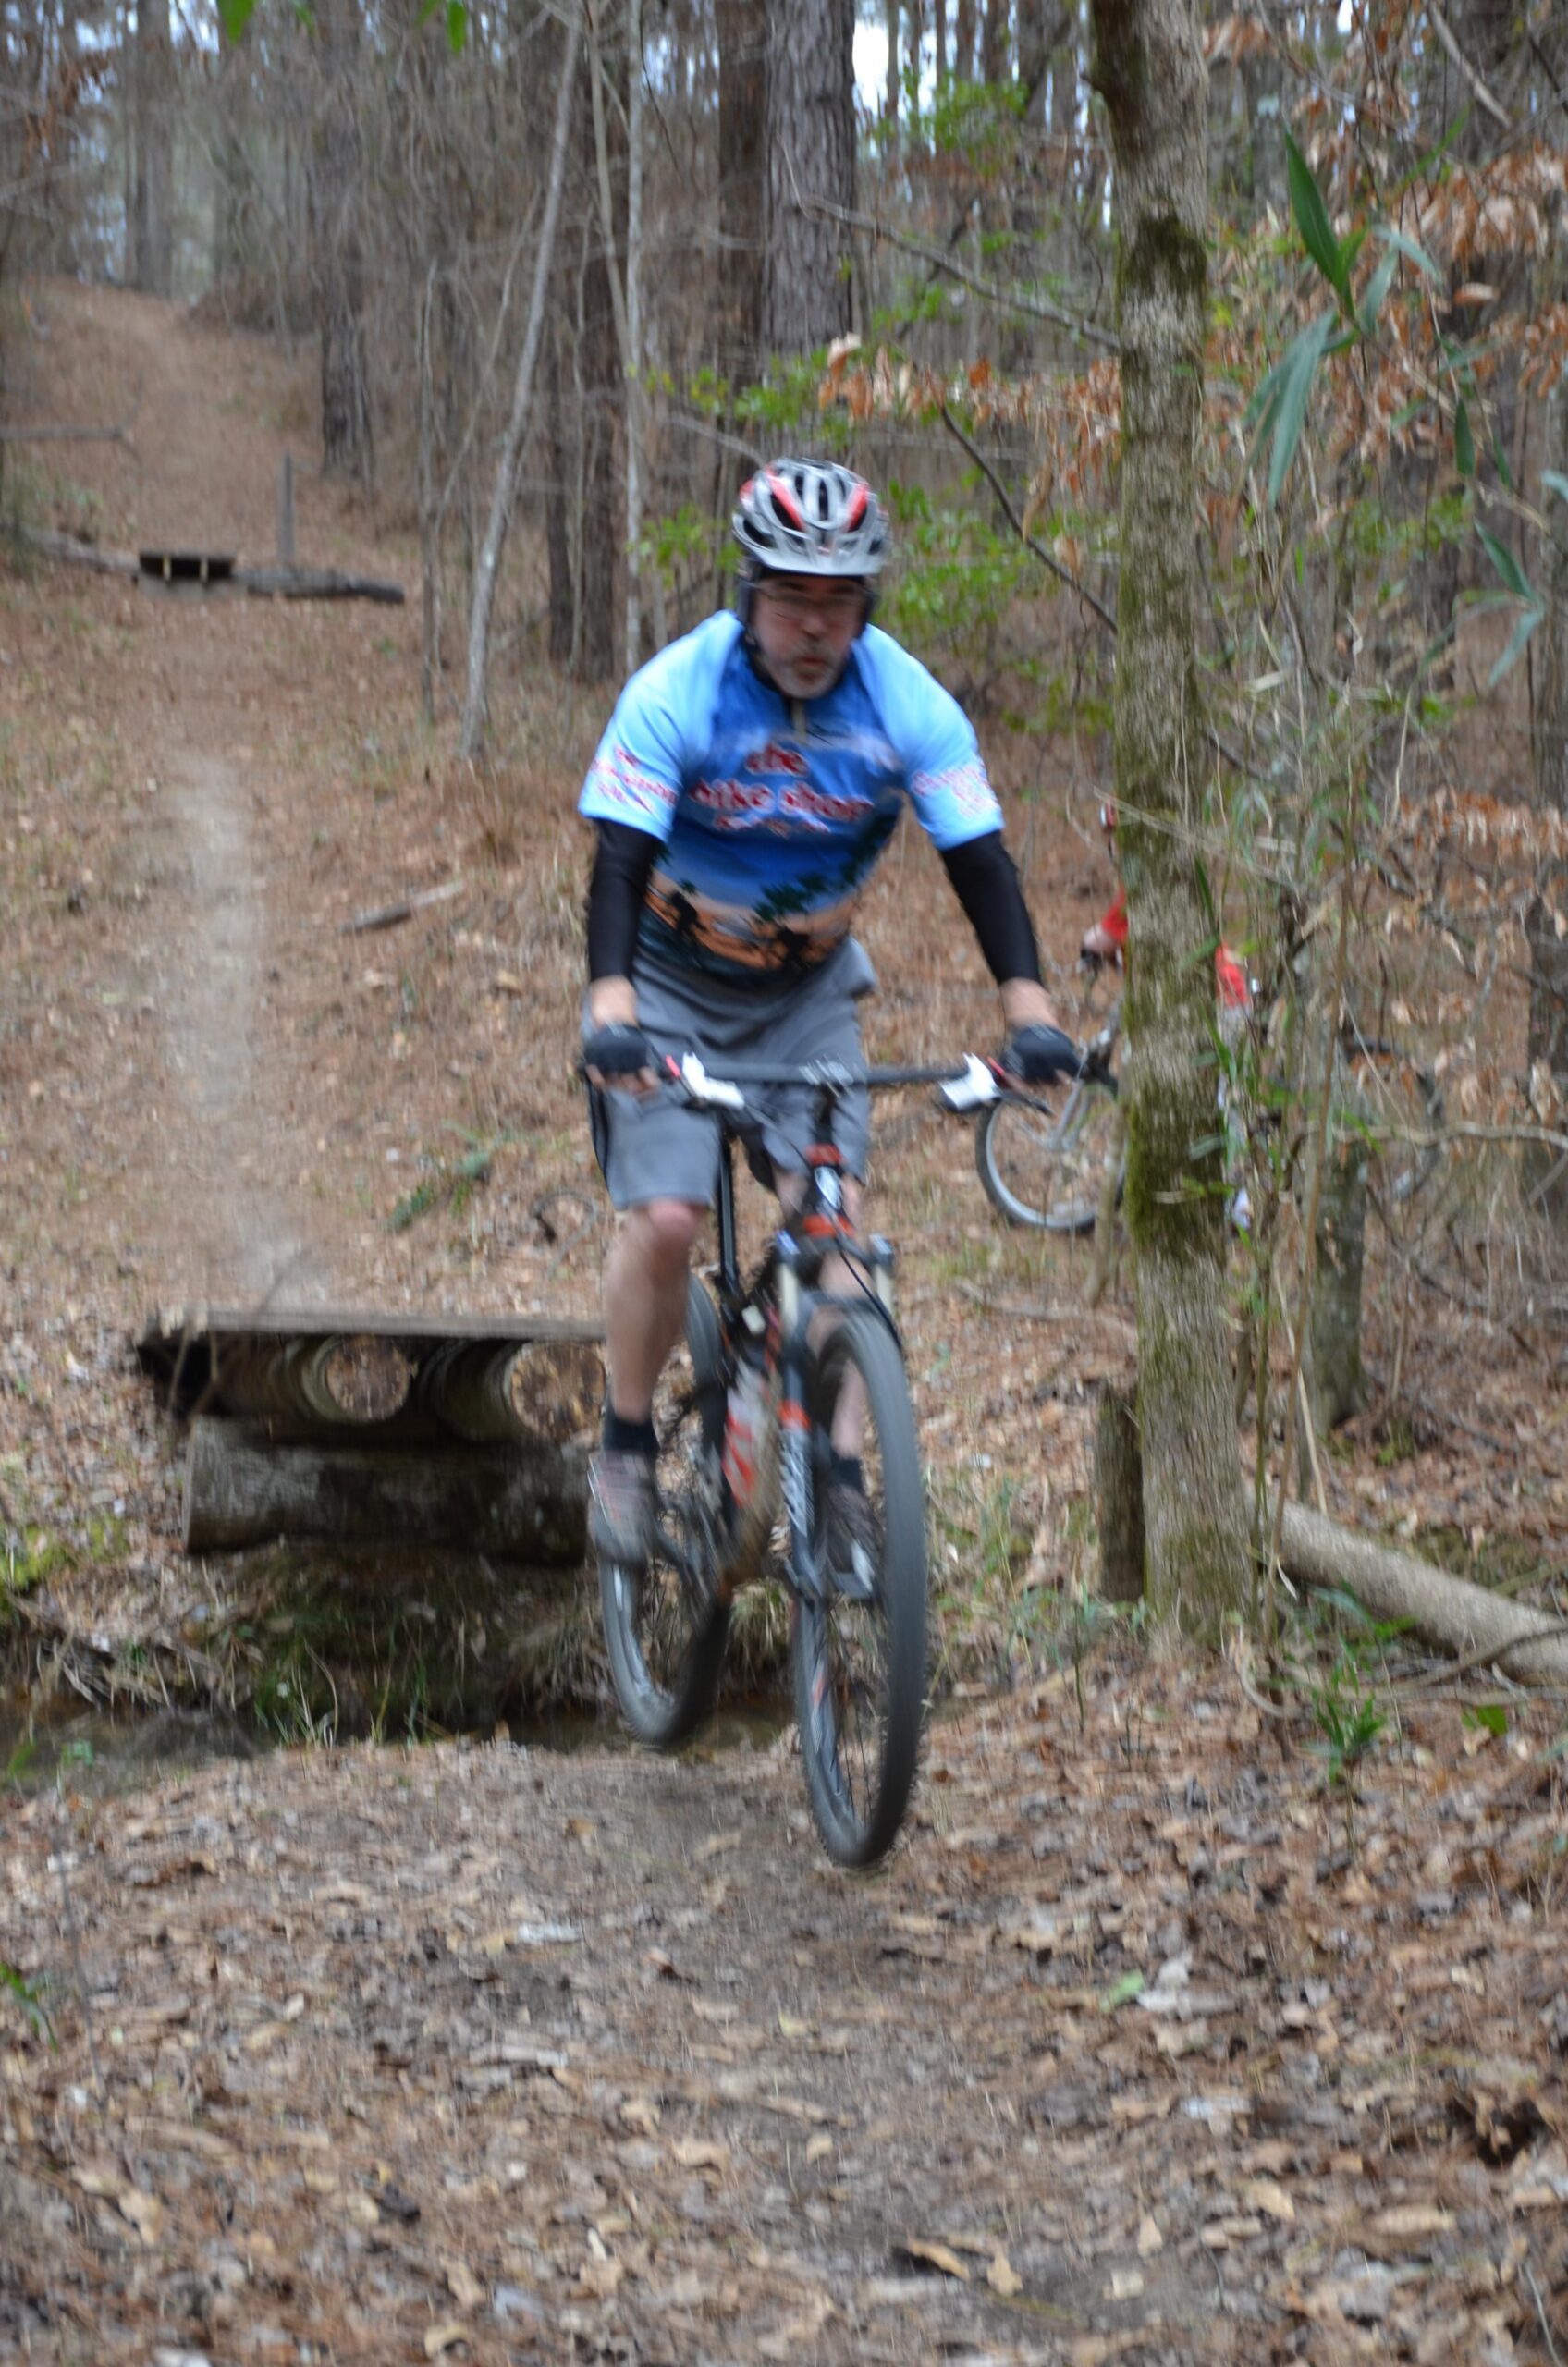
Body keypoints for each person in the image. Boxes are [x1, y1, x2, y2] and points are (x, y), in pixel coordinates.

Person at [579, 457, 1078, 1564]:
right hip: (665, 985)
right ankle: (623, 1440)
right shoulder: (679, 691)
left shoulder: (904, 702)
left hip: (805, 999)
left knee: (840, 1241)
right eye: (792, 599)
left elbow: (980, 860)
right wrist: (611, 1004)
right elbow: (619, 859)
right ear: (750, 594)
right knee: (666, 1221)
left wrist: (1029, 1011)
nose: (813, 626)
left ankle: (845, 1476)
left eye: (837, 602)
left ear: (866, 607)